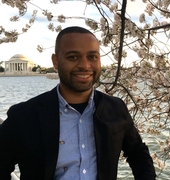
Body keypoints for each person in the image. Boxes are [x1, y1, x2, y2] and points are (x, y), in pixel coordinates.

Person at [0, 26, 156, 180]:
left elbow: (138, 154)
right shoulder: (24, 116)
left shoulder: (116, 108)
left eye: (92, 57)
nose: (84, 65)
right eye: (73, 57)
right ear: (56, 61)